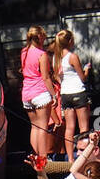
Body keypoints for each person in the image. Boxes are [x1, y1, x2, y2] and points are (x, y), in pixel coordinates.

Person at [53, 30, 90, 159]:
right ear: (70, 42)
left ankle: (70, 158)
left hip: (65, 94)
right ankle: (85, 156)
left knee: (69, 127)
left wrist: (63, 82)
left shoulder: (56, 58)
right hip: (78, 91)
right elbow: (83, 78)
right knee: (83, 127)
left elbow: (56, 76)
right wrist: (87, 70)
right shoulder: (72, 56)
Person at [22, 25, 56, 159]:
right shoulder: (42, 55)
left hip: (26, 93)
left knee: (34, 127)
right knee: (43, 127)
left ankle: (36, 155)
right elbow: (46, 77)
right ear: (40, 37)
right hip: (40, 92)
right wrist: (54, 95)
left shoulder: (24, 52)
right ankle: (43, 157)